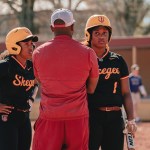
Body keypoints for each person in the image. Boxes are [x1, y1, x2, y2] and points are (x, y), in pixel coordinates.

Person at [32, 8, 99, 150]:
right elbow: (91, 88)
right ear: (72, 27)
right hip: (77, 117)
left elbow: (40, 81)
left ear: (51, 28)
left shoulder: (38, 53)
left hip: (49, 116)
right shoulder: (88, 52)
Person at [83, 14, 137, 150]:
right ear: (89, 35)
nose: (101, 36)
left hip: (115, 117)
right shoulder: (83, 59)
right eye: (97, 33)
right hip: (91, 117)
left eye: (105, 33)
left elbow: (126, 92)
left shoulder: (118, 60)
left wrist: (131, 119)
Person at [0, 27, 39, 150]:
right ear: (14, 46)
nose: (31, 47)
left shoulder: (31, 66)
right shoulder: (5, 66)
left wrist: (31, 100)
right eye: (26, 43)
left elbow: (35, 84)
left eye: (31, 43)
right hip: (6, 120)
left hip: (24, 118)